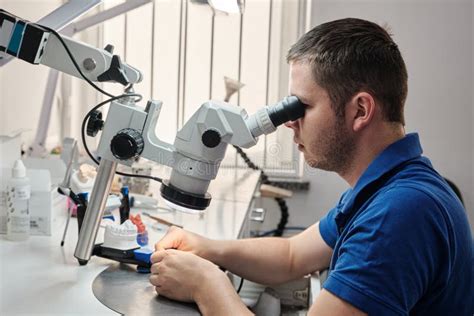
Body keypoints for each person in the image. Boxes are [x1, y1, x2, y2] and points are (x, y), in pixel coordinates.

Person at [148, 18, 473, 315]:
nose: (289, 123)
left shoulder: (399, 213)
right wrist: (208, 249)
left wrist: (206, 285)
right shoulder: (388, 185)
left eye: (302, 106)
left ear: (361, 110)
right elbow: (291, 255)